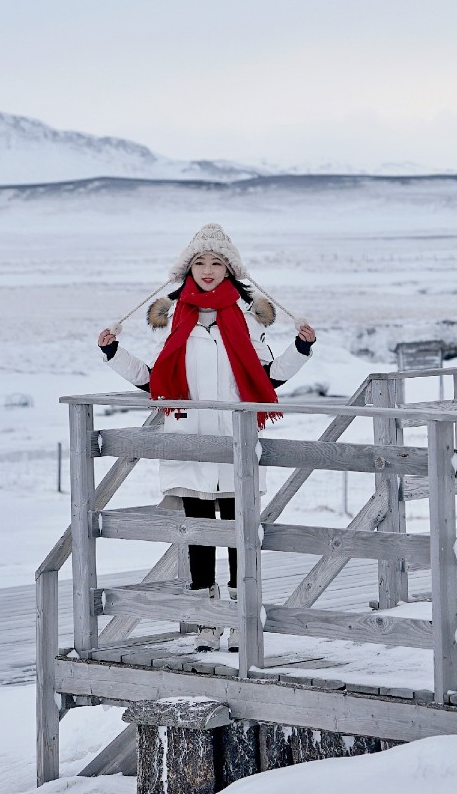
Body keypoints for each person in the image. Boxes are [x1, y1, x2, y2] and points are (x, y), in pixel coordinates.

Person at [96, 224, 316, 649]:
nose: (208, 270)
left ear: (230, 269)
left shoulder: (250, 319)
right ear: (188, 269)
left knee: (236, 529)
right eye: (200, 262)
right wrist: (113, 354)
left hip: (235, 438)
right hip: (188, 439)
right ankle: (205, 623)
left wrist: (301, 349)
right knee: (197, 532)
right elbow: (154, 382)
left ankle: (238, 620)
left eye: (217, 262)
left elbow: (269, 378)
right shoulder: (177, 317)